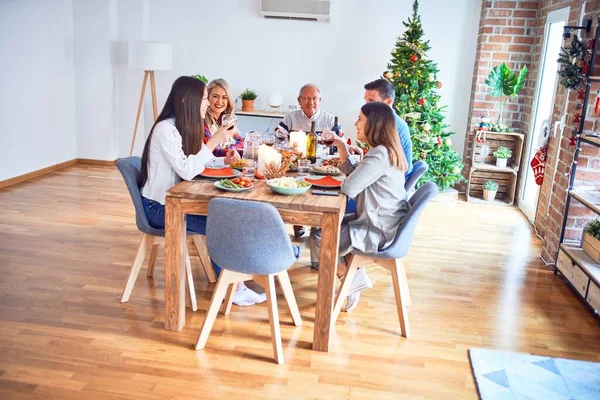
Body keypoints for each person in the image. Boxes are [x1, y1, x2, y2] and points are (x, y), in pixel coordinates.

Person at [139, 76, 267, 306]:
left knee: (224, 217)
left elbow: (195, 162)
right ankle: (233, 288)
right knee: (220, 225)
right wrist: (213, 142)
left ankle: (235, 282)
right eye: (206, 98)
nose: (208, 104)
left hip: (174, 199)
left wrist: (222, 160)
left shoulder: (180, 126)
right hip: (159, 208)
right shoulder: (165, 130)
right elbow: (188, 170)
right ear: (189, 100)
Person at [309, 102, 409, 312]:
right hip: (383, 222)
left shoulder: (379, 154)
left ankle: (350, 279)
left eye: (360, 119)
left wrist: (346, 167)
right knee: (321, 229)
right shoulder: (386, 150)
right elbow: (354, 176)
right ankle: (352, 276)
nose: (356, 123)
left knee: (320, 236)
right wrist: (342, 146)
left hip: (376, 230)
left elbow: (349, 186)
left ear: (373, 124)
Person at [276, 84, 337, 238]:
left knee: (317, 193)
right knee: (293, 187)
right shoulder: (290, 117)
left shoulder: (330, 119)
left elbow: (337, 145)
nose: (311, 102)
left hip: (320, 165)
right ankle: (298, 221)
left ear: (320, 100)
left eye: (314, 98)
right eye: (306, 98)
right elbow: (278, 136)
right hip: (296, 164)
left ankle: (316, 225)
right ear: (299, 100)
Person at [203, 78, 244, 161]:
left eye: (224, 97)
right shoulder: (203, 122)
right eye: (215, 96)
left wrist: (232, 150)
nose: (220, 101)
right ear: (207, 97)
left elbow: (240, 141)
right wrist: (230, 152)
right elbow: (211, 151)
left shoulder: (225, 120)